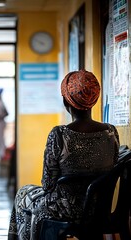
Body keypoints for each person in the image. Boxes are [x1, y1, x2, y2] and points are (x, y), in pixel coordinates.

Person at [8, 69, 120, 240]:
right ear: (93, 101)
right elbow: (111, 167)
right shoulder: (111, 132)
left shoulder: (59, 134)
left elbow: (47, 184)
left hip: (65, 210)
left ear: (65, 101)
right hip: (99, 207)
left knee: (23, 194)